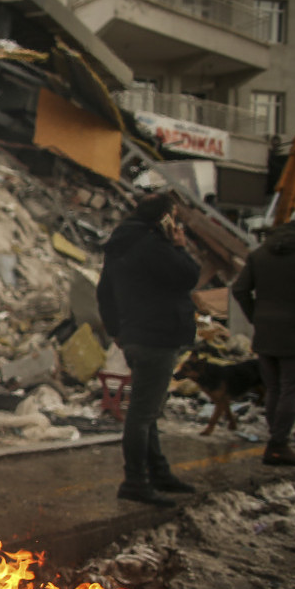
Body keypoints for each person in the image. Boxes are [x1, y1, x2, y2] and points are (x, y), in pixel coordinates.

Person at [96, 192, 200, 507]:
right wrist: (179, 246)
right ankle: (136, 481)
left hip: (135, 336)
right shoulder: (156, 246)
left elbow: (104, 292)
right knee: (142, 414)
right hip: (157, 335)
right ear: (164, 218)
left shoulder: (120, 245)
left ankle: (158, 472)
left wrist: (116, 331)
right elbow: (189, 276)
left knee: (147, 409)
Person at [233, 207, 295, 467]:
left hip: (266, 331)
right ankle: (278, 445)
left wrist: (257, 317)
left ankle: (277, 440)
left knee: (275, 389)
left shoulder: (262, 251)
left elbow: (240, 289)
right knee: (293, 389)